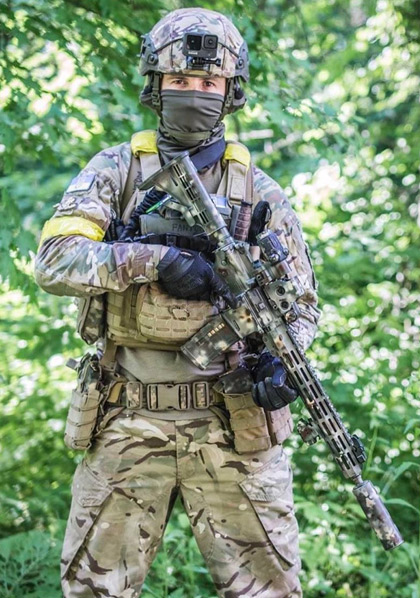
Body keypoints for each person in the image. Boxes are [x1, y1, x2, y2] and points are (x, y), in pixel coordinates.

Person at [35, 8, 320, 598]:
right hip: (126, 419)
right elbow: (54, 260)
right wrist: (154, 261)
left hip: (235, 425)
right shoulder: (116, 171)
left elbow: (303, 304)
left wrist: (281, 363)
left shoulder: (259, 193)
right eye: (180, 81)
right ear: (156, 85)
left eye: (208, 82)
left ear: (230, 91)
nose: (194, 94)